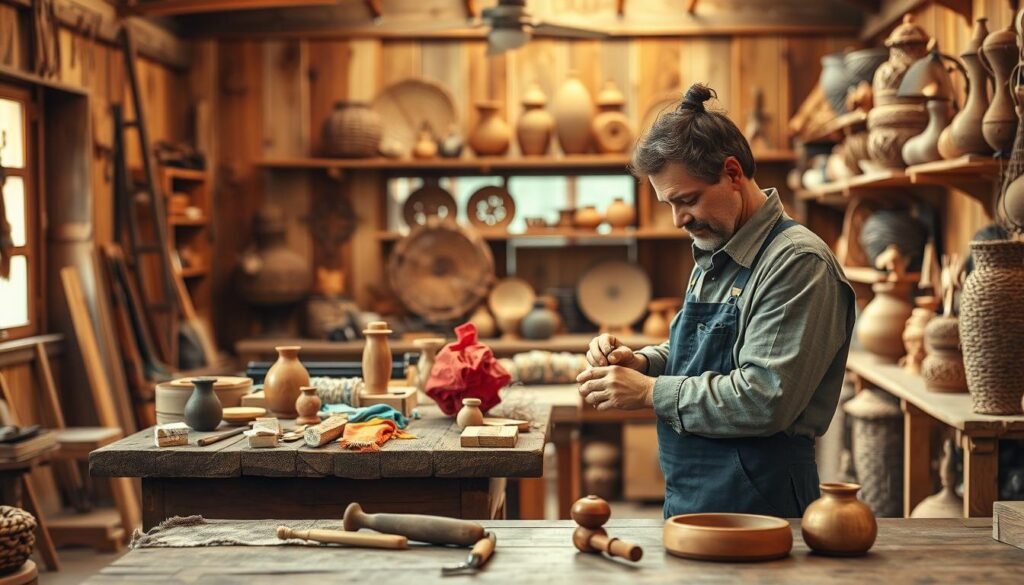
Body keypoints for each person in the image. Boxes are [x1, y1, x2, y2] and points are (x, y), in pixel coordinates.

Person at [577, 83, 856, 518]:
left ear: (731, 173)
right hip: (694, 490)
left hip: (760, 500)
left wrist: (650, 391)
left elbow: (765, 398)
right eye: (668, 205)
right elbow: (704, 350)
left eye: (686, 200)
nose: (678, 220)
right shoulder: (715, 247)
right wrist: (644, 362)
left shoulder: (797, 263)